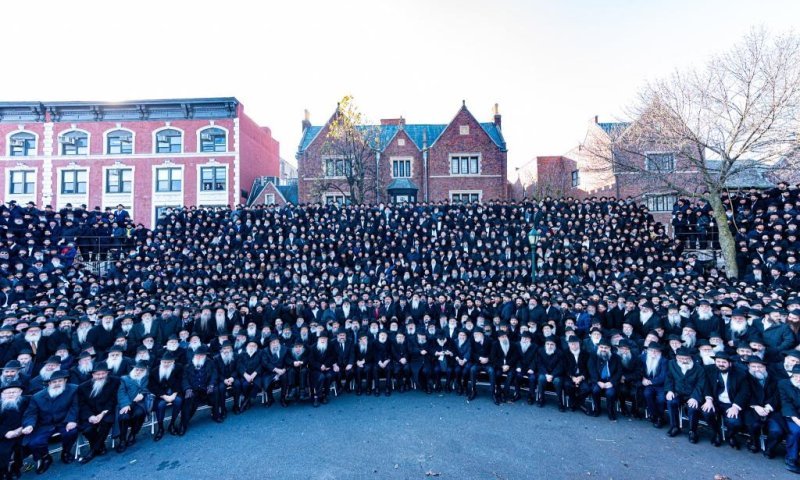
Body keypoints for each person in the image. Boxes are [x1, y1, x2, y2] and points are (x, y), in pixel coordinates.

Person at [21, 370, 79, 474]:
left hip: (64, 421)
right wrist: (29, 425)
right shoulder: (37, 397)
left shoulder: (73, 389)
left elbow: (75, 406)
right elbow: (31, 413)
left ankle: (66, 452)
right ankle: (45, 457)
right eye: (54, 382)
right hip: (45, 424)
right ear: (49, 383)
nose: (57, 384)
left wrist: (71, 420)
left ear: (65, 381)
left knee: (71, 432)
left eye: (60, 381)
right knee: (34, 442)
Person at [701, 352, 750, 448]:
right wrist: (708, 400)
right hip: (715, 401)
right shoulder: (709, 370)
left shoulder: (741, 373)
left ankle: (730, 436)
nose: (721, 364)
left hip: (731, 403)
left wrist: (735, 406)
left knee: (734, 422)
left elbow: (744, 392)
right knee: (706, 412)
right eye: (718, 361)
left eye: (724, 362)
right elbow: (706, 386)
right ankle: (716, 433)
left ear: (730, 363)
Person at [77, 361, 120, 464]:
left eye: (103, 373)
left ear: (107, 373)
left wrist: (102, 414)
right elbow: (82, 404)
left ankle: (93, 451)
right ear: (92, 374)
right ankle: (101, 446)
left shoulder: (115, 381)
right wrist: (90, 416)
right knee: (87, 430)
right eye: (97, 374)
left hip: (107, 411)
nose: (100, 376)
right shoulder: (83, 387)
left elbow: (113, 400)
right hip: (90, 413)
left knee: (106, 422)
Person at [742, 356, 784, 457]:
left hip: (772, 409)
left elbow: (778, 395)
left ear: (765, 367)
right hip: (752, 408)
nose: (757, 369)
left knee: (777, 431)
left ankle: (770, 448)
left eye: (760, 366)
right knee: (753, 425)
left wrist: (768, 407)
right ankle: (754, 442)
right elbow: (744, 394)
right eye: (753, 366)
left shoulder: (774, 378)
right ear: (749, 367)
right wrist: (756, 406)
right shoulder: (744, 378)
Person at [665, 347, 705, 443]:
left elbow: (700, 384)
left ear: (690, 357)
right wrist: (669, 390)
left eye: (686, 359)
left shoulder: (699, 368)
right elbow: (669, 378)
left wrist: (695, 397)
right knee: (671, 402)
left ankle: (693, 431)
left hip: (692, 394)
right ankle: (674, 427)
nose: (683, 361)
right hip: (677, 392)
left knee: (693, 408)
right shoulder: (671, 363)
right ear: (676, 357)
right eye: (680, 358)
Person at [116, 360, 151, 453]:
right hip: (126, 403)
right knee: (124, 417)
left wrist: (143, 394)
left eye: (141, 370)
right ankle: (122, 440)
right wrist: (125, 404)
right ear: (133, 369)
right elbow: (121, 392)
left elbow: (147, 388)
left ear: (145, 371)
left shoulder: (146, 378)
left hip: (139, 404)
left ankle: (133, 434)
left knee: (139, 413)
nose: (138, 372)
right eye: (137, 370)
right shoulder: (124, 379)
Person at [181, 346, 219, 429]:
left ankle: (216, 415)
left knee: (215, 391)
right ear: (194, 355)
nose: (199, 357)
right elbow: (184, 379)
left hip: (206, 388)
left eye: (202, 355)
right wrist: (187, 388)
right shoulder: (188, 365)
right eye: (197, 355)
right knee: (188, 399)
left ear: (205, 356)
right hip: (193, 389)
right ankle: (183, 424)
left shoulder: (210, 362)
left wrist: (211, 384)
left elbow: (214, 374)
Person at [149, 351, 183, 441]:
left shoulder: (178, 368)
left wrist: (174, 394)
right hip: (160, 394)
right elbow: (153, 387)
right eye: (164, 362)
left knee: (178, 401)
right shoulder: (154, 371)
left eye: (169, 362)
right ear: (161, 361)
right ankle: (160, 428)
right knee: (160, 405)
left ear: (173, 362)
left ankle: (172, 424)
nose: (166, 364)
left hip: (174, 392)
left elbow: (180, 382)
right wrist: (164, 396)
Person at [588, 339, 622, 420]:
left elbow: (619, 372)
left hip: (610, 381)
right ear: (598, 347)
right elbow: (591, 370)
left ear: (609, 348)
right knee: (595, 390)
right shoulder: (593, 356)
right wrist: (598, 381)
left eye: (606, 348)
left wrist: (612, 382)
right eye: (601, 347)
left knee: (610, 393)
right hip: (598, 380)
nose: (603, 349)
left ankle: (610, 412)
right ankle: (597, 409)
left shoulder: (616, 358)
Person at [0, 381, 28, 479]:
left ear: (20, 392)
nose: (11, 394)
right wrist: (5, 433)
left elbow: (31, 415)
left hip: (23, 431)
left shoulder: (26, 402)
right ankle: (3, 471)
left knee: (22, 448)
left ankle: (16, 468)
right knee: (2, 451)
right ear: (2, 394)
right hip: (4, 434)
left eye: (14, 392)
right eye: (8, 392)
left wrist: (21, 429)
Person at [641, 343, 668, 427]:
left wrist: (650, 382)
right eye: (651, 350)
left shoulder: (664, 361)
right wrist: (642, 378)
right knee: (647, 394)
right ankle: (653, 414)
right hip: (648, 383)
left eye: (656, 351)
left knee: (661, 399)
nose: (653, 353)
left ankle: (660, 417)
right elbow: (639, 370)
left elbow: (663, 376)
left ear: (660, 352)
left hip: (661, 385)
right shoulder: (642, 358)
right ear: (647, 351)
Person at [780, 365, 800, 474]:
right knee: (796, 431)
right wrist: (797, 421)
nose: (798, 378)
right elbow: (786, 403)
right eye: (796, 375)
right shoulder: (784, 384)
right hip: (791, 414)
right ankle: (791, 460)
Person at [535, 337, 565, 410]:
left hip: (556, 374)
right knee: (541, 378)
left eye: (552, 344)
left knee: (557, 381)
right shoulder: (540, 351)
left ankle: (560, 402)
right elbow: (539, 364)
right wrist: (546, 374)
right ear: (545, 345)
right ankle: (541, 399)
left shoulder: (560, 353)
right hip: (544, 373)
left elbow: (560, 367)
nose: (549, 346)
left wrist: (552, 375)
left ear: (555, 345)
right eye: (547, 344)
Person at [308, 333, 335, 407]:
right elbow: (311, 361)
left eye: (324, 338)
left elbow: (332, 357)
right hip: (315, 369)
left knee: (329, 376)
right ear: (318, 339)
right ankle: (317, 396)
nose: (323, 340)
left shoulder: (330, 346)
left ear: (327, 339)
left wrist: (325, 365)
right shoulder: (312, 347)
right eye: (321, 338)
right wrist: (320, 366)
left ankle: (325, 395)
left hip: (326, 368)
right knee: (321, 377)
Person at [468, 330, 495, 402]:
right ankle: (473, 391)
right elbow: (472, 353)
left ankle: (493, 393)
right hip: (478, 362)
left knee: (491, 371)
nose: (474, 336)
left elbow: (493, 352)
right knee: (472, 369)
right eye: (474, 335)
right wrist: (479, 358)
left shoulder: (490, 340)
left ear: (481, 334)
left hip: (488, 362)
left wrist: (488, 359)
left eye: (476, 334)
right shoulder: (473, 341)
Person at [262, 336, 289, 407]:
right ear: (270, 344)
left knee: (285, 378)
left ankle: (283, 399)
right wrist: (276, 370)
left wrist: (284, 369)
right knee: (266, 379)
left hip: (282, 371)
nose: (275, 344)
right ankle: (270, 399)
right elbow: (265, 363)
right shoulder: (265, 351)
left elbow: (288, 361)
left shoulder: (284, 349)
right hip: (270, 371)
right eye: (273, 343)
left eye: (277, 342)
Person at [354, 331, 375, 396]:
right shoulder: (356, 346)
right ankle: (359, 388)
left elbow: (372, 355)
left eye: (365, 338)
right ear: (359, 340)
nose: (365, 340)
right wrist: (357, 362)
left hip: (368, 362)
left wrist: (364, 361)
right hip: (358, 363)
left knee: (368, 370)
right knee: (358, 370)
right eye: (363, 339)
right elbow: (353, 355)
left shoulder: (370, 345)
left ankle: (368, 388)